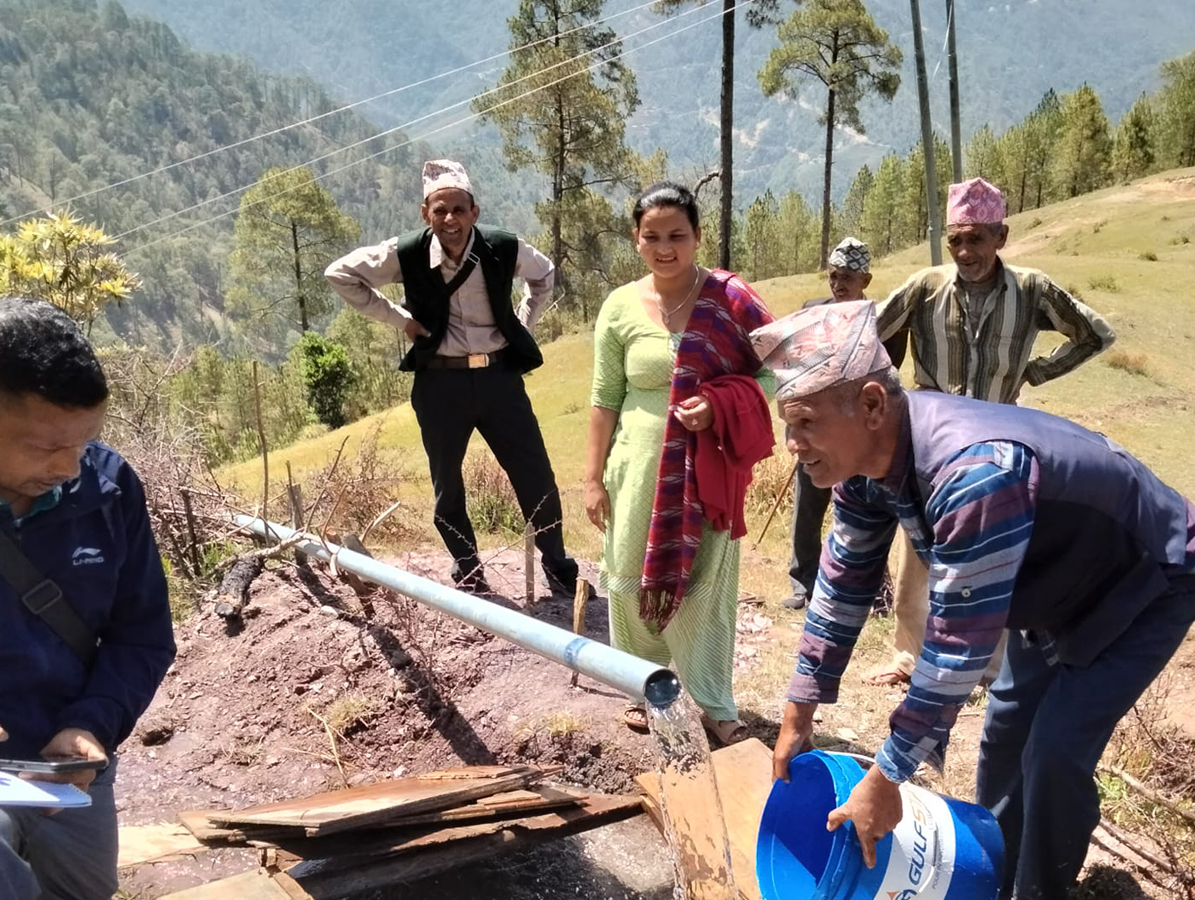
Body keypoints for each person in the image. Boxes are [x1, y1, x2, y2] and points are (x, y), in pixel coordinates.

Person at [755, 300, 1195, 900]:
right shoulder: (859, 466)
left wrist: (887, 776)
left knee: (1055, 752)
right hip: (1048, 589)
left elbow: (957, 646)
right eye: (788, 424)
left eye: (804, 423)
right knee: (1006, 732)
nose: (792, 443)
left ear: (873, 405)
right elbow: (844, 579)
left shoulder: (974, 473)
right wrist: (799, 708)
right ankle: (995, 871)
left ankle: (1040, 890)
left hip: (1144, 578)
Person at [863, 176, 1116, 686]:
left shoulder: (1032, 289)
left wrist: (1037, 371)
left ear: (1001, 236)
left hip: (1003, 442)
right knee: (918, 545)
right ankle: (908, 656)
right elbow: (866, 332)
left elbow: (1095, 334)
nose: (964, 250)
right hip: (930, 439)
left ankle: (992, 666)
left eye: (976, 238)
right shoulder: (926, 287)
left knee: (999, 550)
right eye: (955, 239)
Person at [325, 159, 578, 597]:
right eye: (440, 211)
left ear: (474, 212)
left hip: (500, 378)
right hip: (440, 385)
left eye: (459, 210)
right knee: (447, 483)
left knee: (535, 474)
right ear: (426, 214)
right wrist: (400, 319)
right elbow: (340, 274)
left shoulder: (503, 247)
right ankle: (468, 566)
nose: (450, 220)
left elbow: (545, 275)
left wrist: (522, 324)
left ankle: (557, 564)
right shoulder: (405, 254)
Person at [0, 298, 176, 900]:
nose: (71, 467)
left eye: (85, 441)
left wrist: (90, 724)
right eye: (47, 448)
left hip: (64, 772)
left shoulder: (108, 486)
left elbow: (141, 634)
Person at [584, 182, 776, 745]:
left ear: (697, 237)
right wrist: (593, 479)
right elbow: (604, 398)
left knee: (704, 589)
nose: (665, 247)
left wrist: (719, 405)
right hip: (636, 470)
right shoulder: (620, 306)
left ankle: (715, 706)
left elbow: (773, 368)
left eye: (677, 235)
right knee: (627, 583)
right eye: (652, 237)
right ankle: (648, 686)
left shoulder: (732, 300)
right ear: (636, 240)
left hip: (707, 472)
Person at [784, 237, 906, 610]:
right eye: (834, 276)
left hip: (858, 435)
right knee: (808, 507)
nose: (839, 284)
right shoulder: (811, 311)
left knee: (866, 510)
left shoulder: (886, 322)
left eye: (848, 277)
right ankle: (804, 584)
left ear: (865, 279)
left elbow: (887, 380)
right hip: (816, 429)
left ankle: (873, 590)